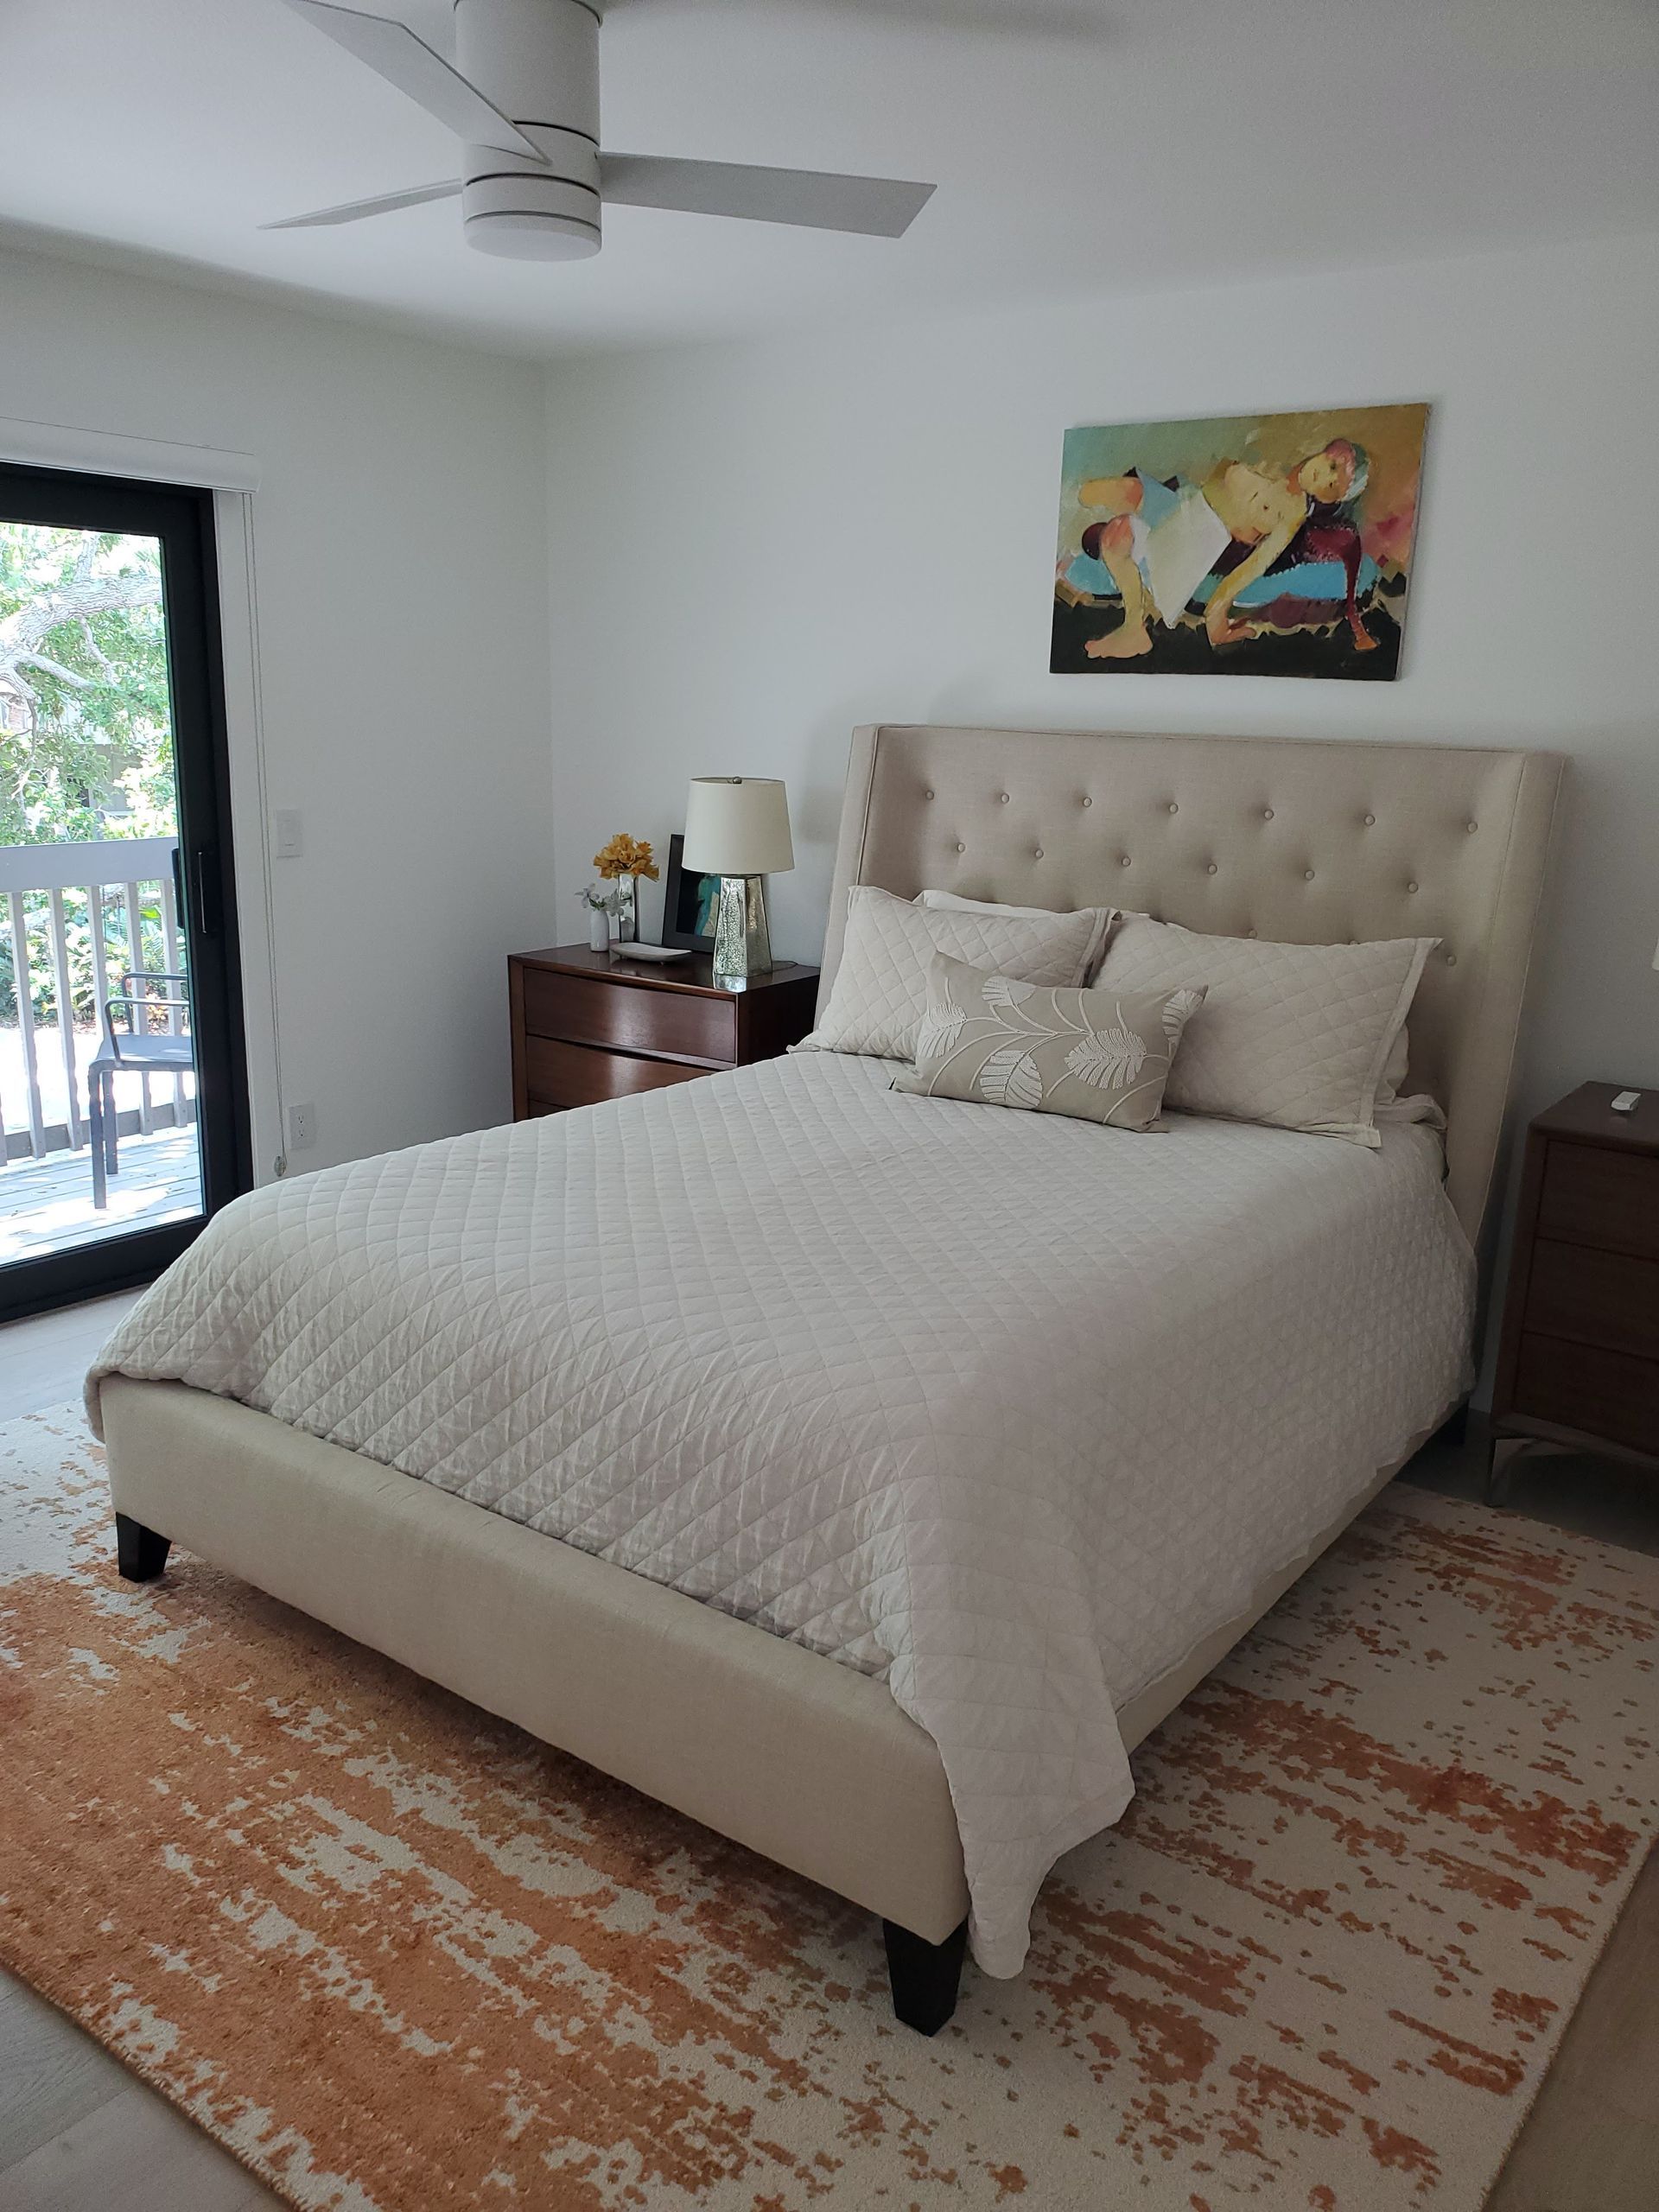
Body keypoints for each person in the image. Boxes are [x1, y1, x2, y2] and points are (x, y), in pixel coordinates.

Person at [1066, 440, 1371, 659]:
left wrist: (1217, 618)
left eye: (1332, 486)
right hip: (1183, 506)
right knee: (1093, 492)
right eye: (1331, 466)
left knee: (1117, 533)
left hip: (1195, 536)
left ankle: (1134, 628)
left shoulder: (1291, 514)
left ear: (1328, 500)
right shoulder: (1274, 468)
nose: (1324, 478)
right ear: (1325, 452)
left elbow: (1255, 565)